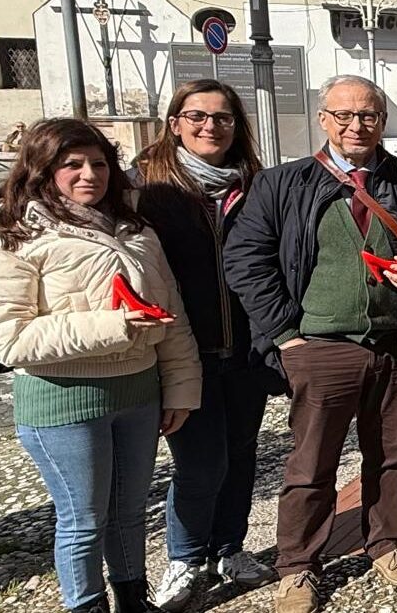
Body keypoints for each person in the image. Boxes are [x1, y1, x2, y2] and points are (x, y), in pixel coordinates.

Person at [223, 74, 397, 613]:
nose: (357, 126)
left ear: (382, 121)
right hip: (320, 348)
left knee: (393, 456)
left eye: (369, 116)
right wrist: (286, 334)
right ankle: (298, 567)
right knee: (311, 464)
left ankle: (385, 544)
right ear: (324, 119)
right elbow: (245, 259)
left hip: (394, 346)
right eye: (345, 115)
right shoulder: (285, 183)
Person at [0, 119, 203, 613]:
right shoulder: (7, 235)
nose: (88, 174)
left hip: (138, 393)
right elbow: (3, 336)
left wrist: (180, 389)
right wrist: (113, 326)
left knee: (129, 513)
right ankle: (86, 605)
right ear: (41, 169)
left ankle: (134, 601)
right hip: (63, 400)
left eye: (98, 163)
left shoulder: (134, 230)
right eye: (71, 165)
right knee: (83, 520)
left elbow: (172, 316)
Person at [132, 80, 281, 610]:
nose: (210, 126)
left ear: (237, 127)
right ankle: (186, 559)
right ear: (174, 123)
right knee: (200, 463)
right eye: (197, 116)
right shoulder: (145, 188)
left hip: (245, 348)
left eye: (222, 117)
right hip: (182, 348)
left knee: (241, 455)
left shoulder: (257, 184)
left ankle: (229, 550)